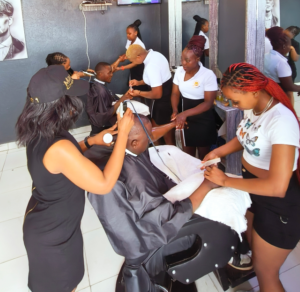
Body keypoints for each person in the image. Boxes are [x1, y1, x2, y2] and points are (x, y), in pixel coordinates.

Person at [16, 64, 134, 292]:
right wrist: (124, 135)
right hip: (53, 236)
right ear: (61, 104)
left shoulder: (38, 129)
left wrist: (91, 141)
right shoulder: (58, 146)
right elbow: (104, 183)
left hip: (52, 224)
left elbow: (58, 162)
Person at [202, 63, 300, 292]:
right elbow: (244, 137)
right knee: (254, 249)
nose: (233, 105)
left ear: (252, 92)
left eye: (235, 100)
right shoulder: (253, 108)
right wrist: (217, 152)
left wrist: (224, 180)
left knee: (266, 274)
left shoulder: (281, 120)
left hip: (279, 207)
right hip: (256, 196)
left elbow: (278, 186)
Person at [88, 114, 218, 289]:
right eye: (147, 138)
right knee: (215, 219)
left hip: (130, 233)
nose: (151, 141)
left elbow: (150, 134)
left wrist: (172, 125)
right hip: (149, 244)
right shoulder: (137, 182)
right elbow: (168, 219)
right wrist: (207, 185)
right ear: (134, 143)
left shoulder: (116, 147)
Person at [171, 36, 218, 160]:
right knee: (188, 155)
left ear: (197, 59)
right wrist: (175, 110)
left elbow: (208, 103)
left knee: (203, 157)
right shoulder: (179, 72)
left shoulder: (207, 75)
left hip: (203, 119)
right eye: (182, 59)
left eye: (187, 60)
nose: (183, 63)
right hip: (186, 119)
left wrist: (184, 113)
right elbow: (175, 93)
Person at [126, 45, 174, 143]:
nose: (133, 63)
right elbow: (155, 79)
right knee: (162, 130)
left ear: (138, 57)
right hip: (167, 96)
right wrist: (139, 82)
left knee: (159, 133)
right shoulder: (156, 55)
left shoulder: (151, 66)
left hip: (162, 102)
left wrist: (138, 93)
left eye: (133, 61)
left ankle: (163, 153)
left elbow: (157, 94)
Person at [264, 27, 300, 100]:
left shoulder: (266, 57)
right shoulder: (281, 62)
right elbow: (290, 87)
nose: (289, 48)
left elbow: (295, 58)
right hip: (278, 95)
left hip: (267, 93)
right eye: (289, 46)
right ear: (284, 46)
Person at [86, 62, 132, 135]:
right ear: (100, 74)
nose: (112, 75)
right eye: (109, 73)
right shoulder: (101, 91)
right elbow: (105, 115)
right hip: (100, 127)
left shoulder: (98, 84)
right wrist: (122, 99)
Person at [113, 19, 150, 94]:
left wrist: (121, 68)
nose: (127, 36)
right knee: (132, 86)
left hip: (139, 68)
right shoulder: (130, 39)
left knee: (139, 89)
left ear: (136, 33)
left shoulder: (139, 45)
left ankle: (142, 103)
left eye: (129, 34)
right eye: (127, 34)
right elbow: (128, 52)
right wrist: (123, 57)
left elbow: (136, 63)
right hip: (133, 67)